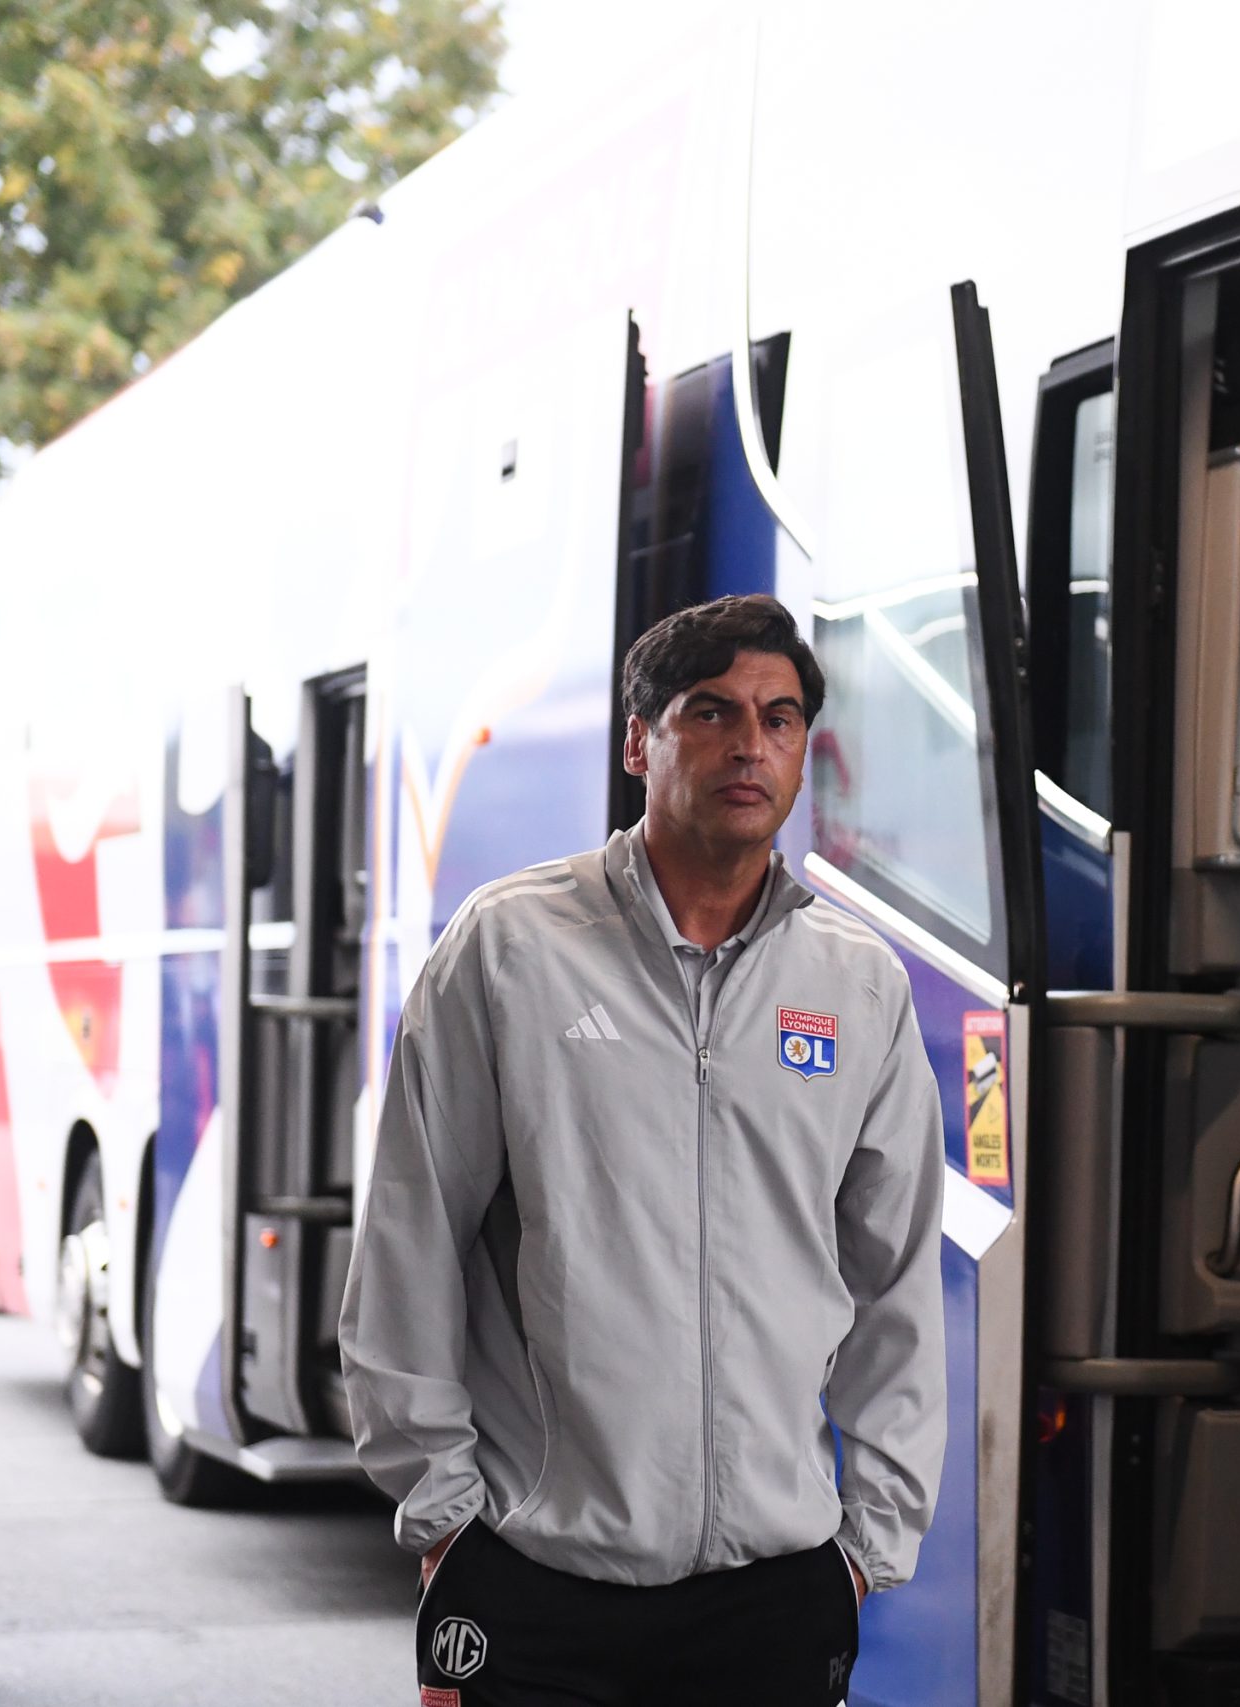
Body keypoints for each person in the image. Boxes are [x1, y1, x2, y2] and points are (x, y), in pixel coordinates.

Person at [341, 594, 946, 1707]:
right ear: (639, 742)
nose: (749, 744)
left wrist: (867, 1546)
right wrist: (443, 1519)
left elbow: (895, 1282)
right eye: (710, 712)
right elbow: (410, 1239)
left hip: (774, 1593)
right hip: (535, 1578)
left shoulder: (857, 983)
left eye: (778, 718)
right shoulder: (511, 949)